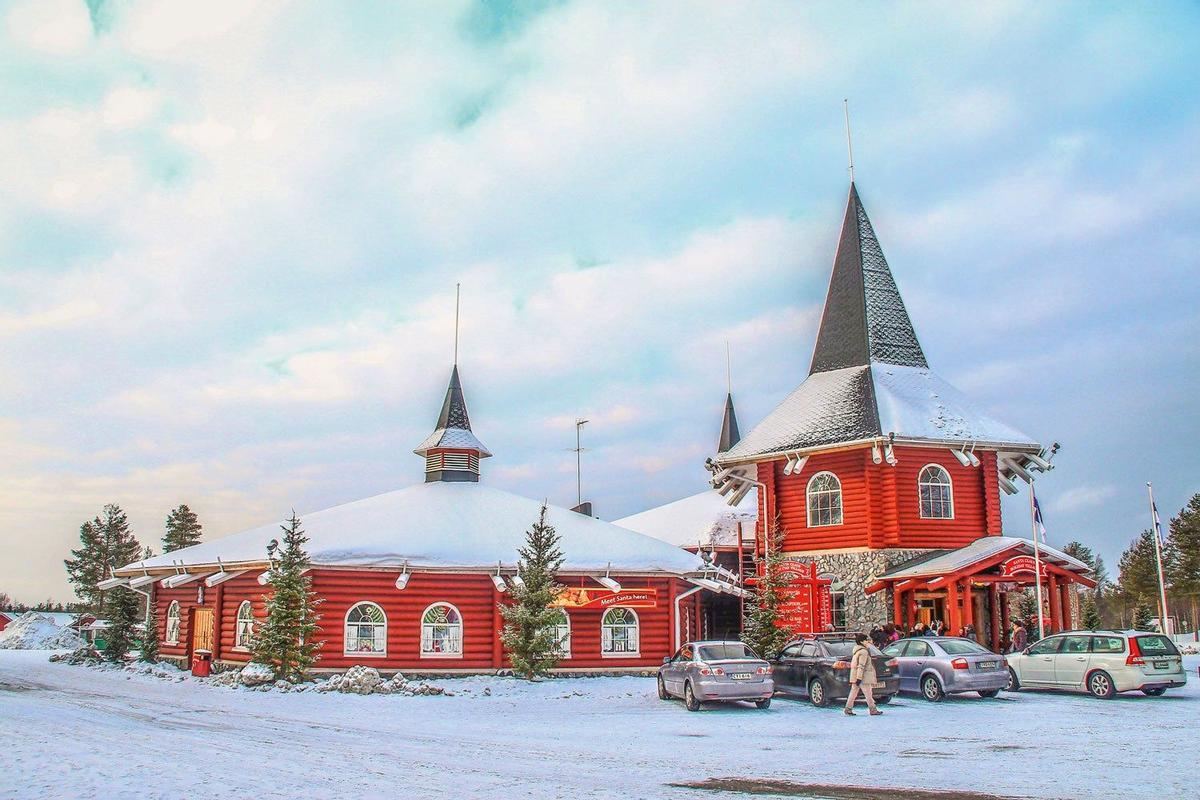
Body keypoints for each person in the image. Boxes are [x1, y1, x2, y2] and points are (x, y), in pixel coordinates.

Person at [844, 633, 883, 716]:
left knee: (853, 692)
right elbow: (861, 666)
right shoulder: (863, 652)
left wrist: (857, 677)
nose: (868, 641)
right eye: (866, 640)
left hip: (856, 676)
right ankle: (873, 710)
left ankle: (848, 708)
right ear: (862, 641)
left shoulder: (857, 651)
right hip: (863, 677)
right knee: (868, 693)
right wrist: (859, 678)